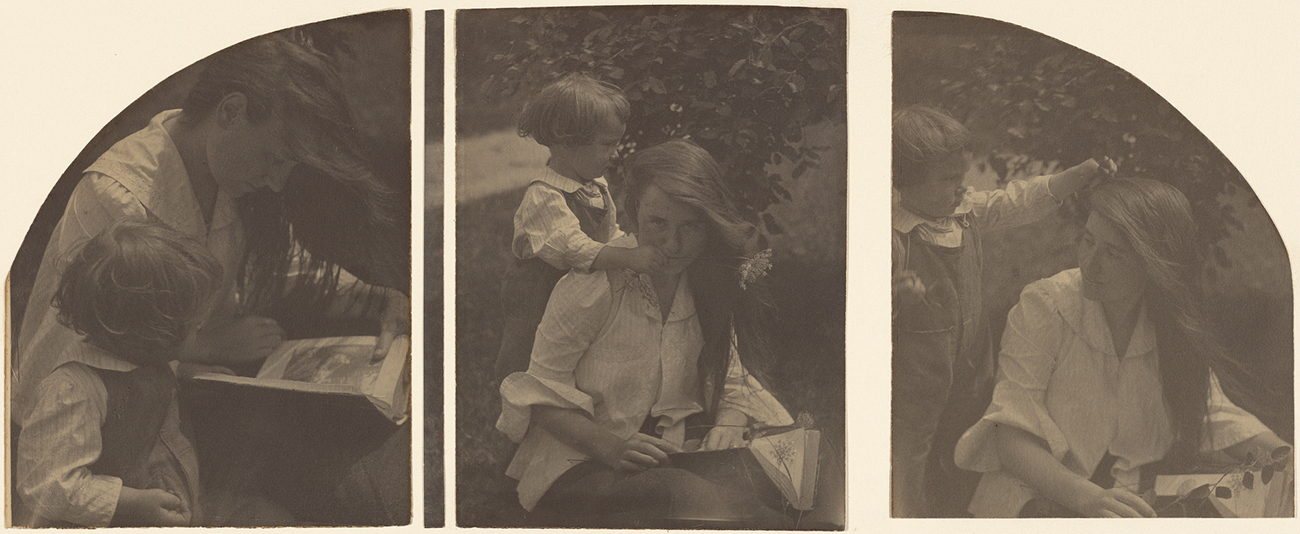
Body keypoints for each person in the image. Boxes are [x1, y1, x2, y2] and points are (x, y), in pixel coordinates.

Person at [13, 30, 410, 421]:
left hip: (163, 403)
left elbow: (279, 268)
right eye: (273, 159)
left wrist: (378, 298)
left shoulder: (227, 180)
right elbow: (86, 344)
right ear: (230, 111)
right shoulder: (119, 198)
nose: (276, 182)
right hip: (79, 427)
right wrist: (202, 348)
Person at [496, 139, 798, 527]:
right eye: (659, 223)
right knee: (689, 499)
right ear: (635, 211)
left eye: (690, 227)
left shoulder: (705, 286)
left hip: (672, 451)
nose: (673, 245)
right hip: (584, 456)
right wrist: (612, 448)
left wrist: (728, 423)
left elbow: (733, 380)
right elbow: (539, 397)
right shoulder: (593, 286)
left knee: (783, 484)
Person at [953, 178, 1291, 517]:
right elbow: (1010, 435)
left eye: (1111, 253)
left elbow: (1212, 412)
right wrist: (1087, 498)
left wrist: (1285, 457)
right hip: (1034, 500)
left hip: (1124, 503)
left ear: (1152, 263)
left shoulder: (1169, 324)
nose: (1090, 261)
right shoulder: (1045, 307)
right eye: (1088, 240)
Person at [890, 104, 1115, 517]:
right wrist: (895, 301)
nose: (961, 189)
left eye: (962, 177)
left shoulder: (964, 212)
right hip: (916, 381)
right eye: (948, 180)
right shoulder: (895, 237)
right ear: (904, 183)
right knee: (908, 457)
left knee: (968, 447)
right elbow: (868, 317)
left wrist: (1074, 178)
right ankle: (903, 517)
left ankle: (961, 513)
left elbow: (1017, 201)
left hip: (973, 367)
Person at [16, 220, 220, 526]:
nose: (201, 331)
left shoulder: (151, 367)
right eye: (195, 326)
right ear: (153, 331)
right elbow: (46, 485)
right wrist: (133, 503)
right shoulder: (73, 390)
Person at [496, 73, 667, 380]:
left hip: (578, 293)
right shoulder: (543, 197)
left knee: (578, 354)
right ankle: (525, 407)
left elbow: (606, 234)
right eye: (607, 144)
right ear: (566, 143)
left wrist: (630, 246)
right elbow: (573, 247)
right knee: (530, 360)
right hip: (541, 295)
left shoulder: (594, 186)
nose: (614, 153)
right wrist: (627, 258)